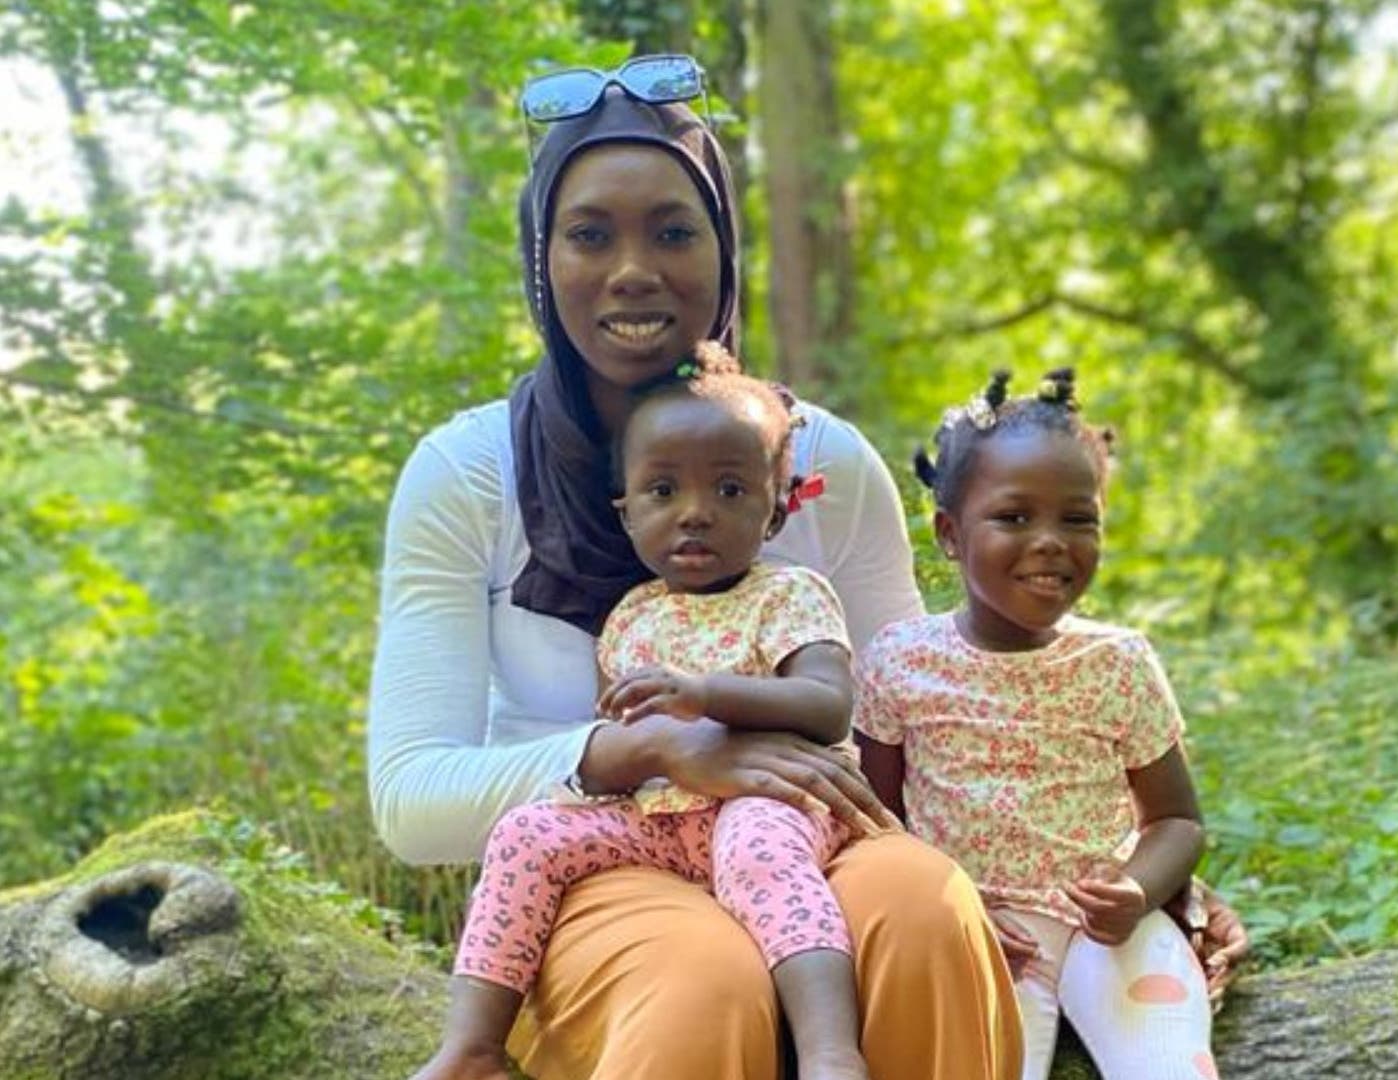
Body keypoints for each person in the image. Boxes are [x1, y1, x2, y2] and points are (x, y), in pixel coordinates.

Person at [367, 63, 1025, 1079]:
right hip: (599, 867)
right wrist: (657, 750)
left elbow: (922, 727)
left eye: (674, 231)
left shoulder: (821, 461)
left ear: (725, 252)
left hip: (812, 835)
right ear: (542, 259)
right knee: (700, 979)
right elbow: (413, 803)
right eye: (590, 235)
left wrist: (1123, 892)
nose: (634, 269)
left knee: (926, 909)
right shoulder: (468, 474)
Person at [410, 342, 874, 1080]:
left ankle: (828, 1052)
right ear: (626, 513)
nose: (694, 514)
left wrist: (704, 695)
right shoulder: (631, 618)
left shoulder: (791, 595)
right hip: (660, 823)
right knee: (528, 832)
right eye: (663, 492)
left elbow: (826, 704)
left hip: (769, 803)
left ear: (776, 510)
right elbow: (627, 740)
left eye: (728, 491)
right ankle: (471, 1045)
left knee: (759, 850)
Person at [855, 370, 1221, 1080]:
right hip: (980, 936)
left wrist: (1137, 893)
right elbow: (878, 820)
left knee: (1170, 1065)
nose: (1052, 542)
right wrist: (948, 914)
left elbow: (1178, 821)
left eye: (1078, 519)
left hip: (1109, 931)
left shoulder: (1117, 662)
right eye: (1015, 517)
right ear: (950, 535)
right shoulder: (900, 662)